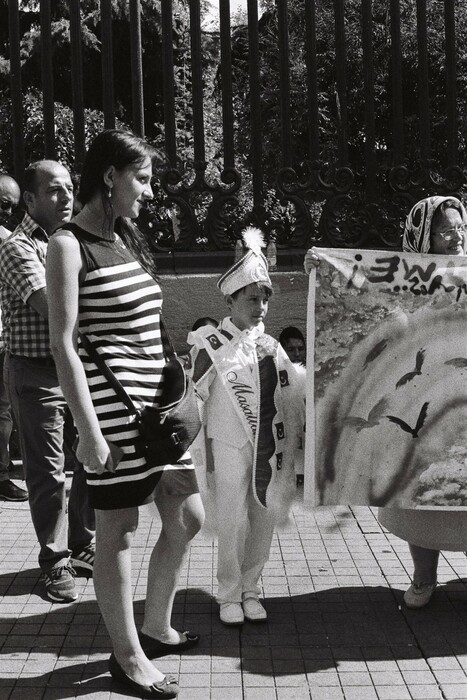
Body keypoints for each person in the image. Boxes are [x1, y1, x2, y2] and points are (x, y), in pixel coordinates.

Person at [46, 129, 205, 699]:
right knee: (118, 531)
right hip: (112, 415)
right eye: (141, 177)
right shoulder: (69, 246)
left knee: (187, 515)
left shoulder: (125, 237)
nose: (149, 190)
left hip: (155, 412)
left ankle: (155, 626)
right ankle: (128, 657)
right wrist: (87, 431)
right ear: (109, 176)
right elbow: (63, 343)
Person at [304, 195, 467, 610]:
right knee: (418, 492)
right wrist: (320, 268)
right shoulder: (400, 281)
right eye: (446, 229)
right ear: (424, 236)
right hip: (422, 402)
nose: (456, 236)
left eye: (460, 227)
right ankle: (424, 577)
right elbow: (371, 305)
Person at [188, 226, 303, 626]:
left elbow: (293, 397)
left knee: (264, 517)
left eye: (265, 299)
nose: (260, 306)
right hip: (228, 443)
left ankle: (252, 587)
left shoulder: (273, 347)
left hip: (267, 447)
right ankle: (229, 593)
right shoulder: (209, 344)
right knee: (233, 517)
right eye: (252, 298)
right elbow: (192, 398)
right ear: (231, 299)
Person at [0, 161, 95, 603]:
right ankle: (54, 559)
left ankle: (82, 545)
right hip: (35, 372)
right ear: (31, 200)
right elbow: (52, 309)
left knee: (91, 458)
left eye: (70, 188)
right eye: (54, 191)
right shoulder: (17, 248)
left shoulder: (77, 240)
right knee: (47, 472)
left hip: (78, 366)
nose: (66, 197)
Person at [0, 174, 28, 502]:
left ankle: (3, 474)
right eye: (3, 204)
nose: (8, 212)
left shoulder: (9, 242)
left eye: (12, 206)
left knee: (2, 412)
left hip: (4, 338)